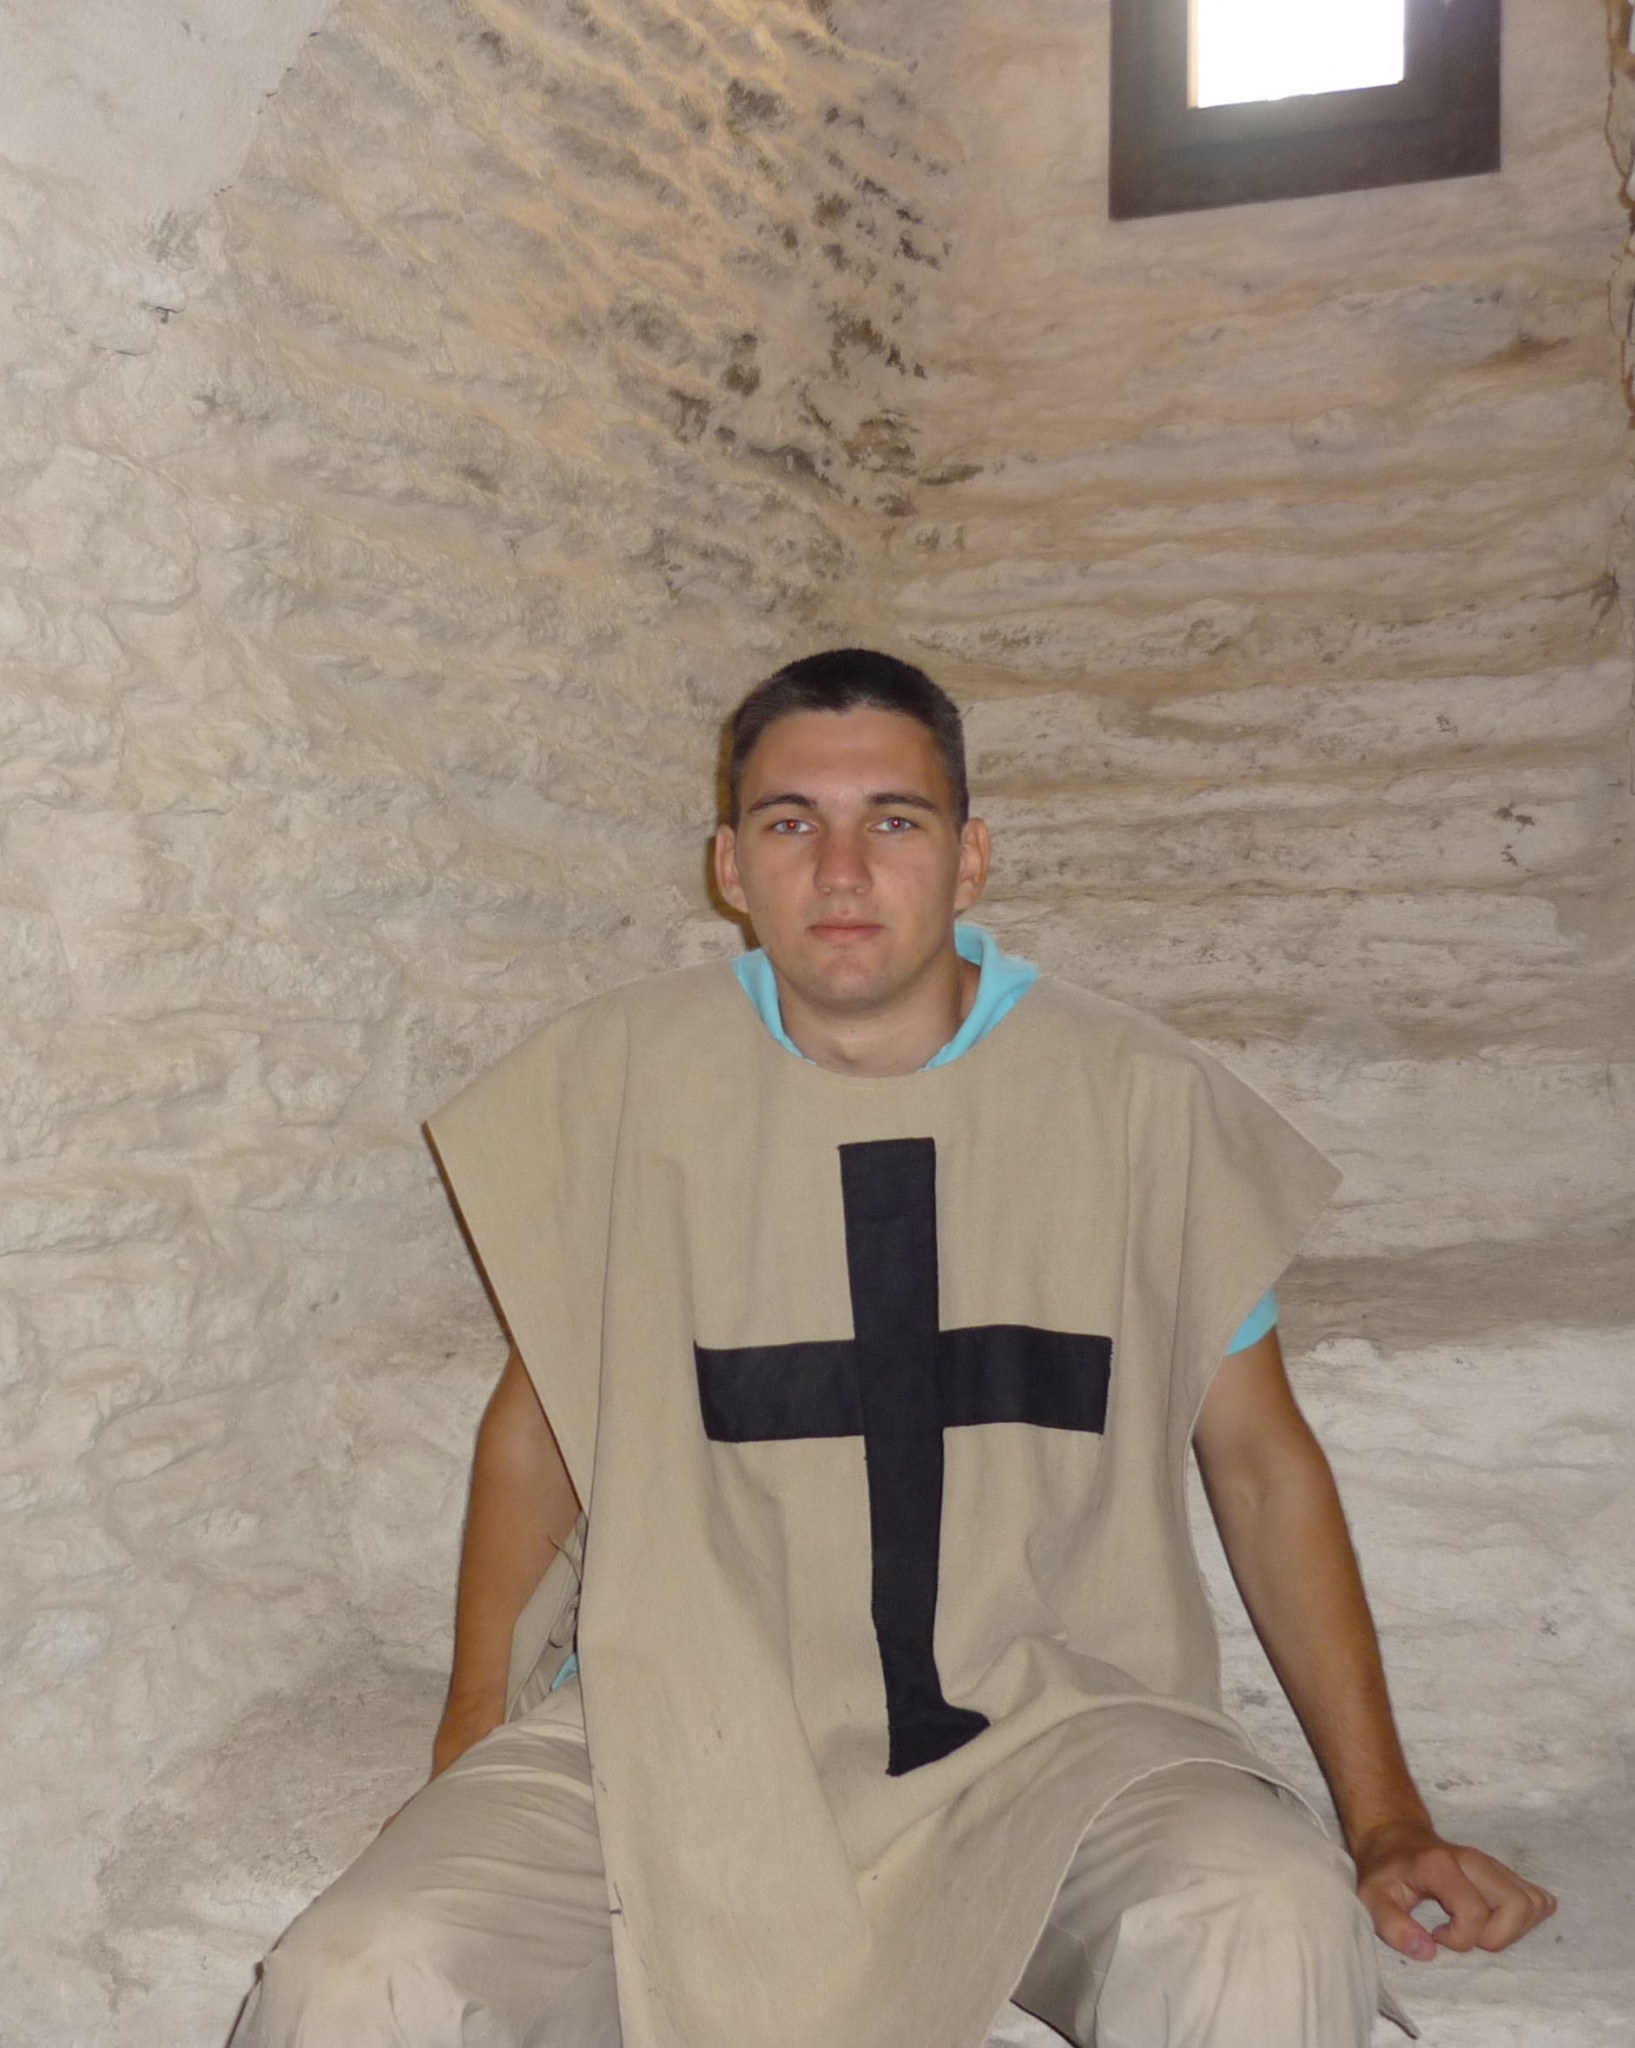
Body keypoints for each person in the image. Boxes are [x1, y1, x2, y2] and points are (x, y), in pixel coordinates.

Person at [233, 650, 1555, 2048]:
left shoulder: (1136, 1106)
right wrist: (466, 1742)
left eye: (896, 820)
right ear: (729, 866)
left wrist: (1384, 1818)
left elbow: (1261, 1465)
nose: (842, 871)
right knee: (359, 1974)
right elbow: (541, 1429)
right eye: (791, 822)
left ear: (972, 857)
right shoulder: (615, 1085)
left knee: (1266, 1920)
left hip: (1057, 1738)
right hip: (671, 1720)